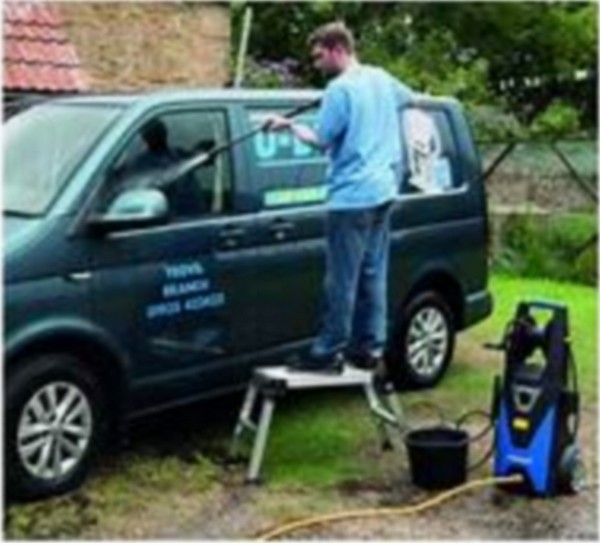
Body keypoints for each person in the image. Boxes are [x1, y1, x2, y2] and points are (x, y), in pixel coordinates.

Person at [266, 22, 413, 373]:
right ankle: (368, 348)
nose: (316, 64)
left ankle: (327, 351)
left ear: (337, 50)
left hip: (352, 198)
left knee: (341, 280)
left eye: (319, 57)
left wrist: (289, 126)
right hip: (383, 192)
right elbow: (409, 98)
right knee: (372, 274)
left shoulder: (339, 89)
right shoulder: (380, 77)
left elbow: (321, 139)